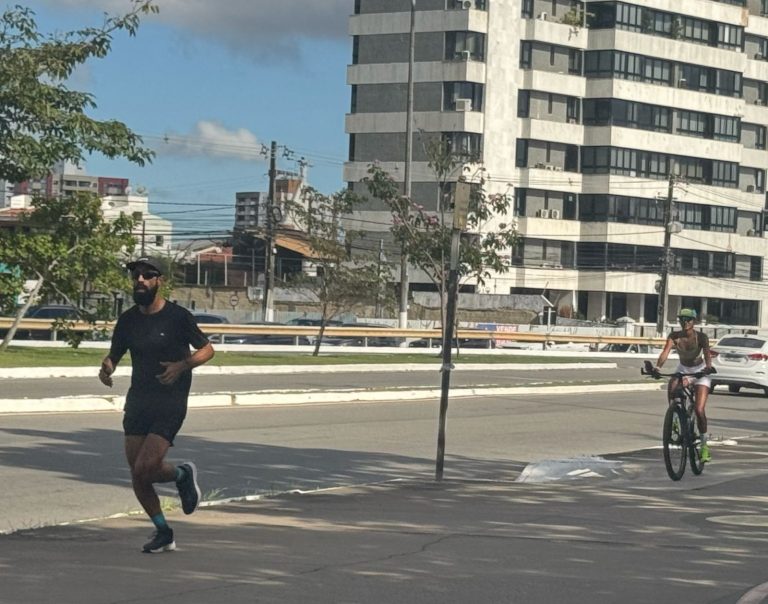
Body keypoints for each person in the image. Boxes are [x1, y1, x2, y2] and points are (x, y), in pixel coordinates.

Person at [98, 256, 215, 553]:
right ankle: (163, 531)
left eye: (147, 275)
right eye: (136, 275)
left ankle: (181, 474)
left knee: (146, 466)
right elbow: (115, 354)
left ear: (159, 280)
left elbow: (207, 350)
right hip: (138, 400)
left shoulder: (177, 317)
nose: (140, 280)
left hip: (170, 400)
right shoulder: (127, 320)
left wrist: (182, 365)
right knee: (138, 473)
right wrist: (107, 367)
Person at [653, 308, 714, 462]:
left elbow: (707, 354)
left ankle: (704, 446)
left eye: (688, 319)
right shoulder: (674, 336)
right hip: (684, 369)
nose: (684, 322)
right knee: (672, 386)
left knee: (699, 410)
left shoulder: (701, 337)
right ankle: (674, 418)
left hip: (699, 371)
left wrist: (707, 367)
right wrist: (657, 367)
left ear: (694, 322)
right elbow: (665, 352)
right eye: (682, 319)